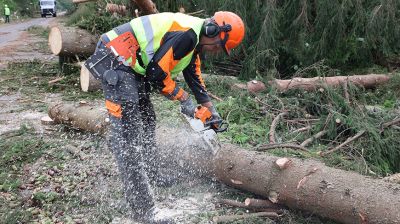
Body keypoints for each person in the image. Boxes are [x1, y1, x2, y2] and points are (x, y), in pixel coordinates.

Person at [85, 11, 245, 223]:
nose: (216, 51)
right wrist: (184, 99)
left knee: (148, 120)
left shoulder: (194, 41)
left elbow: (193, 74)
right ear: (213, 31)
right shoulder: (187, 35)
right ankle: (144, 212)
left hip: (131, 64)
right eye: (218, 46)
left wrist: (209, 107)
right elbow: (156, 74)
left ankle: (152, 173)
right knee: (128, 136)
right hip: (116, 56)